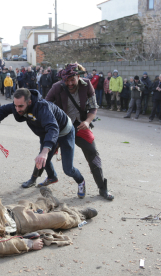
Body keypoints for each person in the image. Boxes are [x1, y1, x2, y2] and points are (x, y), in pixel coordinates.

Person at [26, 63, 113, 200]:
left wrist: (87, 122)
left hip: (80, 126)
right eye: (67, 80)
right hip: (61, 128)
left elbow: (93, 108)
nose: (70, 83)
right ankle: (34, 178)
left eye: (72, 80)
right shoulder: (57, 87)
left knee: (92, 153)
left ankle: (102, 188)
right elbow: (44, 105)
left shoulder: (87, 85)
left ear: (78, 77)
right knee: (44, 153)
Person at [0, 88, 87, 199]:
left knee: (68, 169)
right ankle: (52, 177)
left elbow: (53, 128)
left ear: (29, 102)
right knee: (43, 160)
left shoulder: (42, 107)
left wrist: (45, 150)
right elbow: (2, 110)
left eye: (20, 106)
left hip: (64, 131)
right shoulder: (18, 105)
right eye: (15, 105)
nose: (17, 109)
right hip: (46, 132)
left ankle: (81, 181)